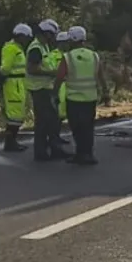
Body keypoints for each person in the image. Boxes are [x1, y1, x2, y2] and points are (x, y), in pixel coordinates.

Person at [54, 25, 110, 165]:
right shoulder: (94, 56)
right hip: (90, 98)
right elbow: (101, 76)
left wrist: (54, 93)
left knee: (77, 128)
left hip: (74, 98)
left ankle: (80, 154)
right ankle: (89, 154)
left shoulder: (68, 57)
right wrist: (106, 92)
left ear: (73, 39)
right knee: (88, 127)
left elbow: (60, 77)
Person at [26, 18, 69, 161]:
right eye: (51, 34)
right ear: (46, 33)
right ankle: (46, 152)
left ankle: (47, 151)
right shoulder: (36, 48)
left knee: (48, 122)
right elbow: (32, 69)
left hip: (44, 89)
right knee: (47, 122)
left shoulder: (43, 47)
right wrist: (52, 73)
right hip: (40, 89)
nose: (52, 38)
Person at [0, 23, 34, 152]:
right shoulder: (11, 48)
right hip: (13, 84)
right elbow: (5, 68)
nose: (27, 41)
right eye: (26, 37)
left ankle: (12, 141)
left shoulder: (17, 48)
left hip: (18, 84)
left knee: (17, 114)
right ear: (19, 36)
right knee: (14, 115)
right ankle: (10, 143)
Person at [53, 31, 72, 144]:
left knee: (62, 115)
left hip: (67, 86)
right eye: (66, 42)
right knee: (56, 114)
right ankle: (54, 137)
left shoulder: (69, 55)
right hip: (59, 86)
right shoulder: (54, 55)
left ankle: (57, 136)